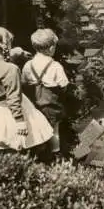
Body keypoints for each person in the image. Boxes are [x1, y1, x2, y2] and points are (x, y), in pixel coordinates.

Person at [0, 26, 54, 152]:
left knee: (0, 137)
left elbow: (5, 57)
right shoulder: (11, 69)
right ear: (6, 45)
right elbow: (13, 97)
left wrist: (18, 52)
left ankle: (1, 162)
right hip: (10, 108)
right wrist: (20, 121)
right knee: (18, 137)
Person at [21, 28, 69, 157]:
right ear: (51, 48)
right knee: (54, 131)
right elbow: (64, 85)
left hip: (34, 105)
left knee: (37, 129)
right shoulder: (55, 66)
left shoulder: (28, 65)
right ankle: (56, 155)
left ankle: (39, 155)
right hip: (51, 104)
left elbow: (23, 83)